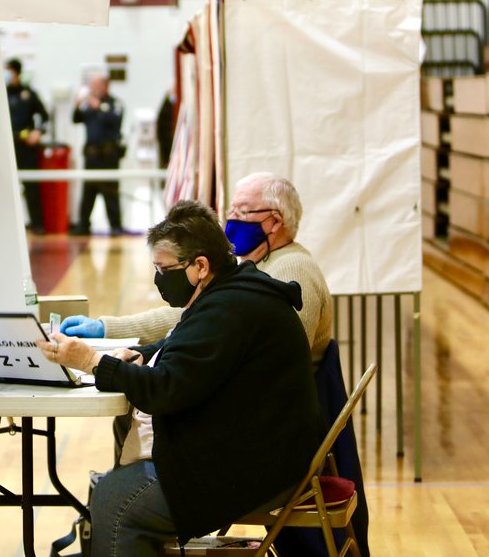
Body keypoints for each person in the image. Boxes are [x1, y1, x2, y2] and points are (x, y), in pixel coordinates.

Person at [40, 200, 323, 555]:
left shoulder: (228, 309)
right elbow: (187, 346)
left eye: (164, 269)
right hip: (262, 449)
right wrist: (143, 354)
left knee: (116, 501)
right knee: (116, 474)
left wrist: (93, 361)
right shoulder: (234, 290)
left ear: (200, 266)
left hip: (258, 468)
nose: (159, 278)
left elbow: (165, 391)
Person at [62, 173, 334, 363]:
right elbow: (193, 315)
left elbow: (282, 356)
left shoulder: (294, 269)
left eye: (242, 212)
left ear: (275, 222)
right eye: (232, 210)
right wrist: (107, 328)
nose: (231, 220)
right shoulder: (254, 264)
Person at [70, 73, 124, 235]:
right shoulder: (88, 105)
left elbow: (116, 121)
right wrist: (78, 105)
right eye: (92, 86)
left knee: (111, 193)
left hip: (108, 156)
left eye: (97, 85)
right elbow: (76, 119)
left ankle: (115, 226)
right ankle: (83, 225)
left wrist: (99, 107)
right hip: (91, 156)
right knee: (88, 193)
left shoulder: (114, 104)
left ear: (105, 86)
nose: (94, 89)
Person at [6, 58, 50, 234]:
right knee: (5, 186)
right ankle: (7, 224)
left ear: (16, 72)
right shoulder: (0, 94)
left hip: (26, 147)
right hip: (7, 146)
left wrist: (38, 132)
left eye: (8, 71)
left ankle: (37, 223)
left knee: (32, 186)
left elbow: (44, 117)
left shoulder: (29, 94)